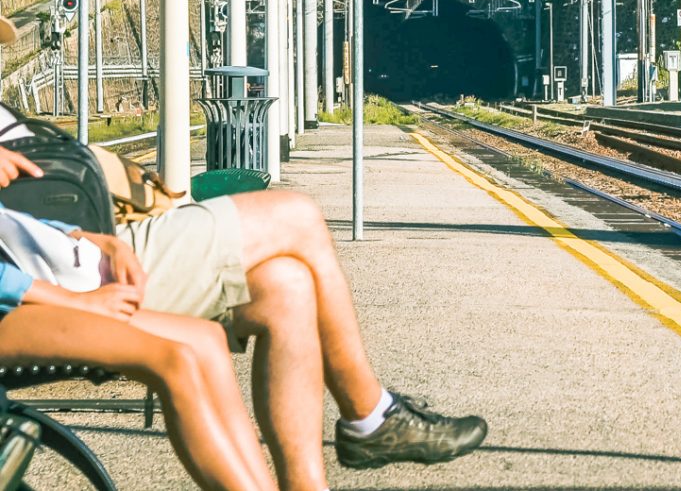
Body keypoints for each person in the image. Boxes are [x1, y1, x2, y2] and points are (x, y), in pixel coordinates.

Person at [0, 105, 485, 491]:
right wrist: (68, 300)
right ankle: (370, 415)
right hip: (53, 288)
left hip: (79, 258)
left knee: (286, 286)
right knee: (296, 215)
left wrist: (89, 237)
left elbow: (13, 222)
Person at [0, 144, 278, 491]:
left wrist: (100, 241)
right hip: (12, 308)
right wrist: (77, 302)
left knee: (207, 340)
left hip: (28, 292)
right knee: (175, 360)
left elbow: (11, 224)